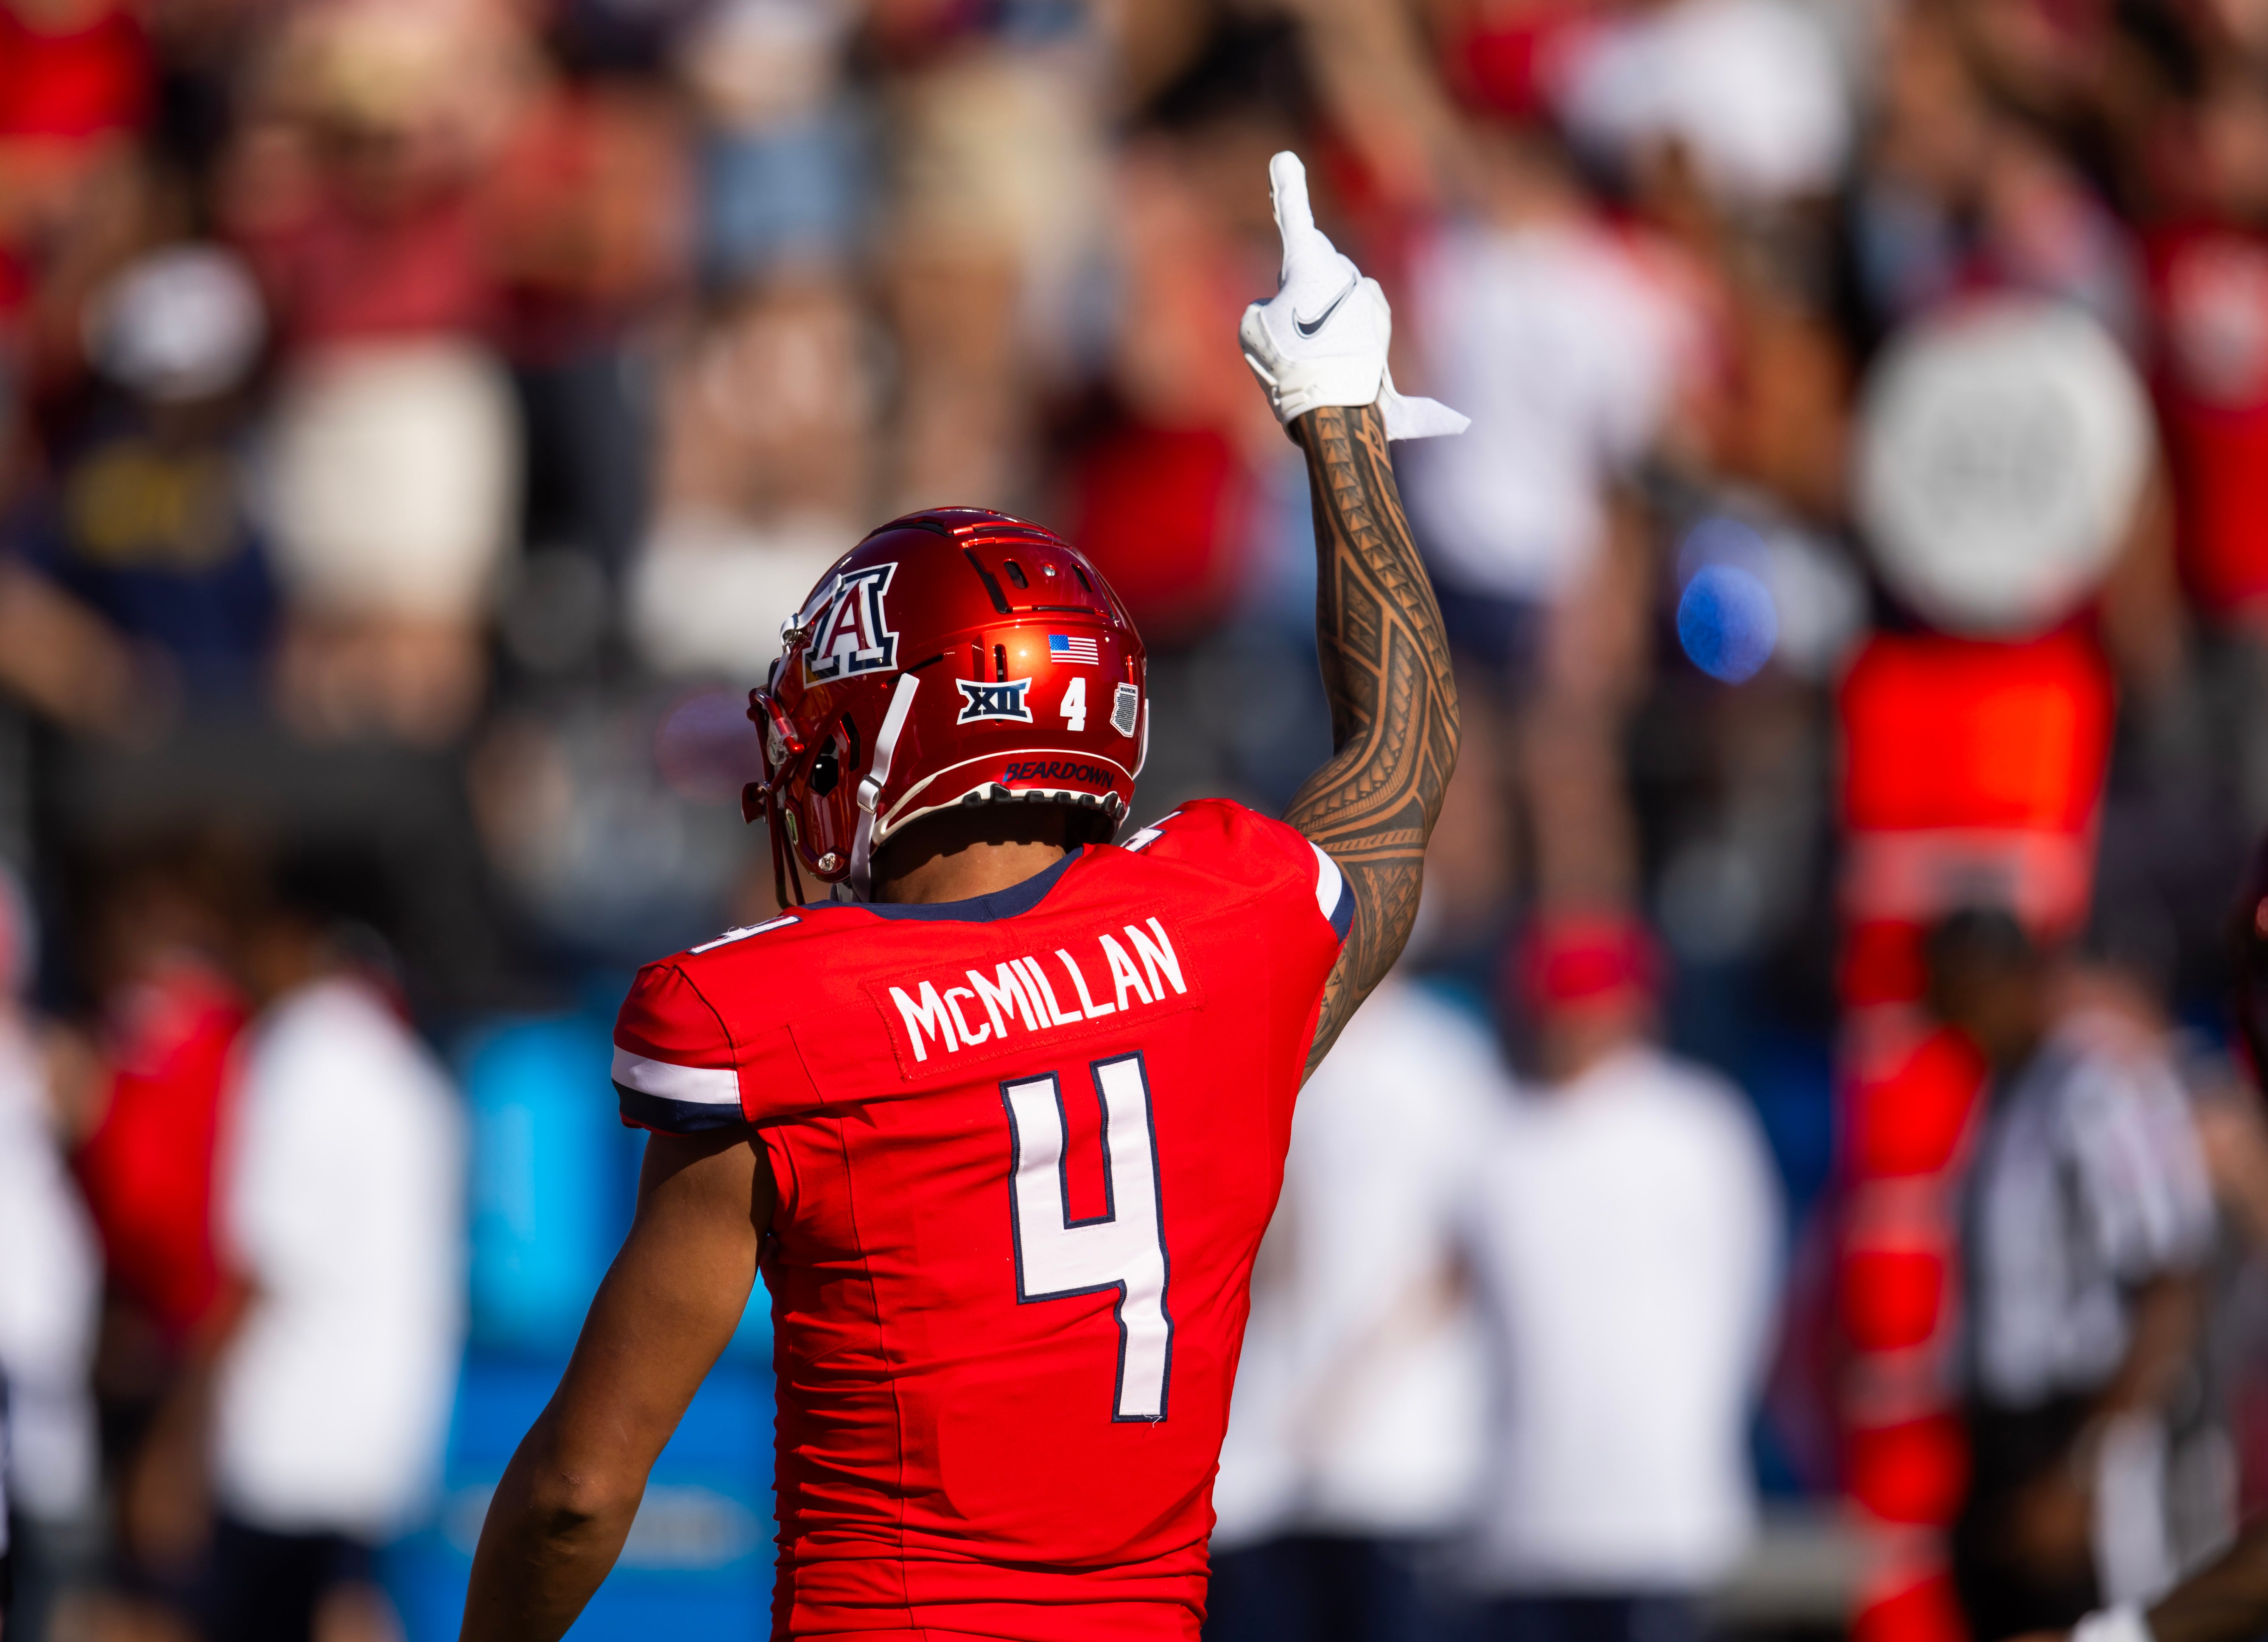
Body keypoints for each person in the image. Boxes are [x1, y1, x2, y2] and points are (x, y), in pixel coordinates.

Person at [459, 149, 1467, 1640]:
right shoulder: (1229, 934)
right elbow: (1401, 754)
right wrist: (1337, 421)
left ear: (889, 738)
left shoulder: (774, 1017)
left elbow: (579, 1490)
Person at [1451, 914, 1782, 1642]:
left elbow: (1749, 1298)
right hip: (1531, 1507)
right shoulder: (1502, 1143)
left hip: (1665, 1504)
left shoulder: (1700, 1127)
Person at [1926, 910, 2214, 1642]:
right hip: (2004, 1430)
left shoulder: (2099, 1093)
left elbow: (2171, 1283)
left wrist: (2084, 1469)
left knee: (2100, 1628)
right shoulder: (1998, 1100)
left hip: (2086, 1426)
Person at [1205, 974, 1499, 1642]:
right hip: (1258, 1465)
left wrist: (1354, 1383)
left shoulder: (1444, 1060)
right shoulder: (1258, 1043)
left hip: (1401, 1462)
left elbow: (1467, 1255)